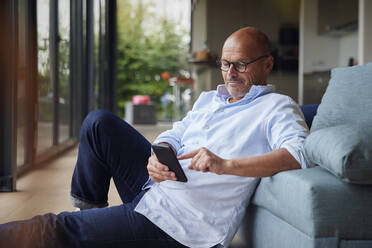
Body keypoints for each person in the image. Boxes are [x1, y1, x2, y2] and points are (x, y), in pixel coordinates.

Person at [0, 27, 311, 248]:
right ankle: (95, 220)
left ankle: (91, 232)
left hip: (182, 224)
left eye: (241, 64)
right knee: (99, 123)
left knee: (53, 228)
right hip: (158, 188)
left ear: (267, 64)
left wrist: (226, 164)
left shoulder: (277, 107)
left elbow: (300, 154)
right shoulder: (209, 99)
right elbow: (175, 133)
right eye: (225, 64)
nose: (230, 73)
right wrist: (158, 154)